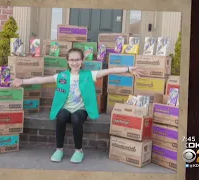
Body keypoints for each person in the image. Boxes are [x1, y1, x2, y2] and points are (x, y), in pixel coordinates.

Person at [11, 48, 144, 164]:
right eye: (72, 60)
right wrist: (22, 81)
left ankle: (78, 151)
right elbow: (41, 79)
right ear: (67, 61)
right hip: (66, 109)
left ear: (82, 60)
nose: (75, 63)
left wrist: (128, 69)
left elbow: (109, 71)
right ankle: (59, 150)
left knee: (76, 117)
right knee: (61, 115)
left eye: (77, 60)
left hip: (81, 110)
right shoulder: (62, 76)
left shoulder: (89, 75)